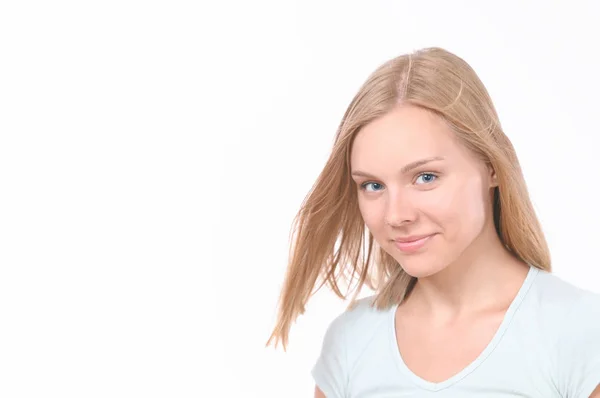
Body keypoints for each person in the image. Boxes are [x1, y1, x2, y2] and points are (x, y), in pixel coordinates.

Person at [265, 47, 600, 397]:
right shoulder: (352, 342)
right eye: (373, 185)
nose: (396, 215)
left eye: (425, 177)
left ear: (492, 167)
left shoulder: (580, 334)